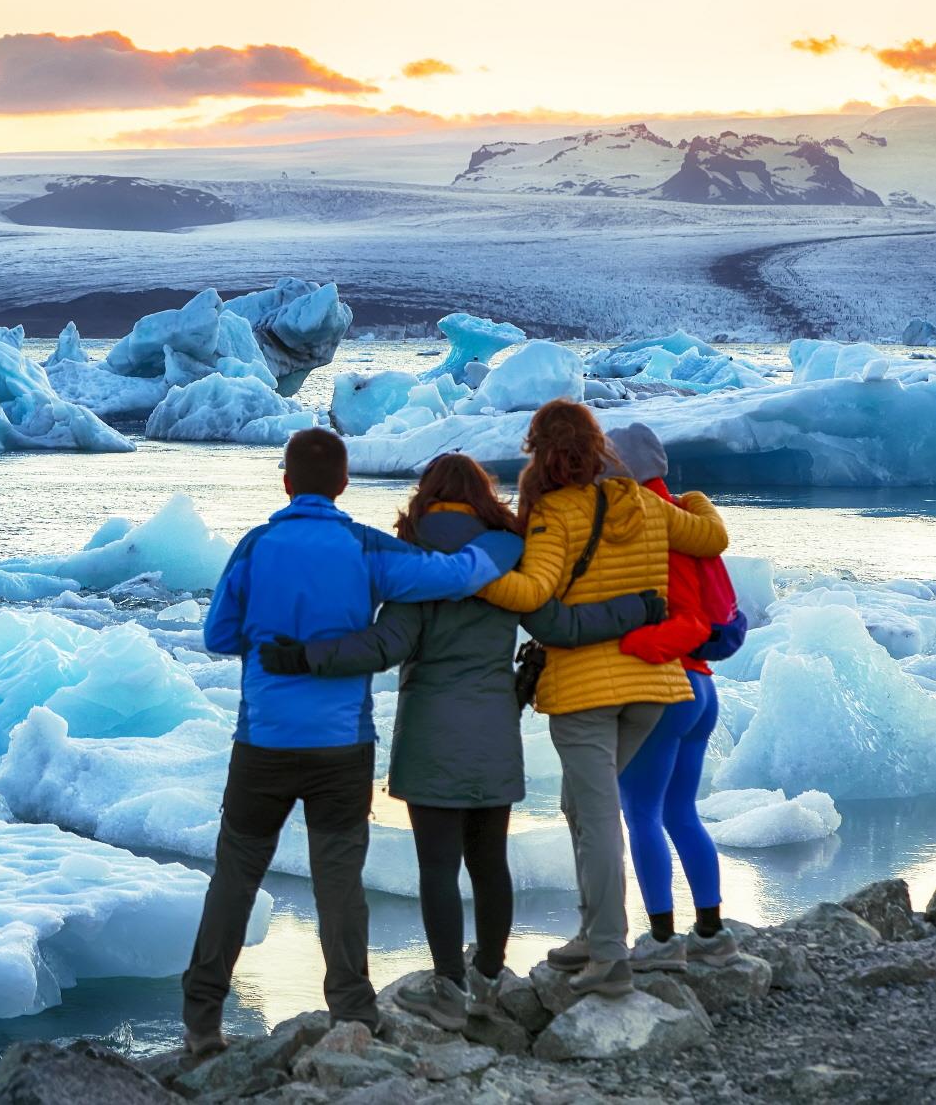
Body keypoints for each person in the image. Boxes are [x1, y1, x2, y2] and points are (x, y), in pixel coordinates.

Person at [272, 453, 664, 1030]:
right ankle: (487, 978)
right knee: (489, 862)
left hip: (432, 734)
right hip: (494, 731)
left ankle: (447, 991)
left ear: (426, 498)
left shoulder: (415, 565)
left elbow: (385, 646)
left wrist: (306, 655)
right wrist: (639, 607)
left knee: (437, 866)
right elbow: (563, 626)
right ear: (483, 497)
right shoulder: (508, 561)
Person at [181, 428, 521, 1055]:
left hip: (264, 742)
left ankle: (203, 1022)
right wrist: (507, 542)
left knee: (235, 876)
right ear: (343, 485)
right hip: (341, 746)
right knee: (339, 882)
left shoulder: (256, 546)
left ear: (286, 482)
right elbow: (452, 576)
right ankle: (353, 1011)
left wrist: (270, 637)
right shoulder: (365, 547)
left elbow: (219, 636)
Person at [476, 401, 728, 998]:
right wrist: (689, 497)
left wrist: (471, 574)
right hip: (652, 688)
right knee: (578, 806)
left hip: (586, 691)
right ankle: (593, 933)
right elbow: (711, 536)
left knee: (596, 818)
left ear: (541, 451)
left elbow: (534, 590)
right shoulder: (644, 503)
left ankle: (610, 957)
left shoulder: (554, 513)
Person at [605, 423, 741, 969]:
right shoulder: (690, 519)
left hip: (667, 685)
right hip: (703, 687)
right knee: (682, 812)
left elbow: (683, 619)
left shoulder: (647, 527)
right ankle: (711, 931)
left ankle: (661, 942)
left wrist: (627, 641)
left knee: (641, 813)